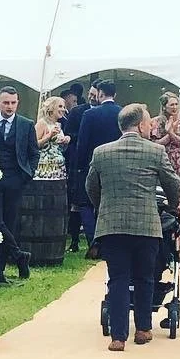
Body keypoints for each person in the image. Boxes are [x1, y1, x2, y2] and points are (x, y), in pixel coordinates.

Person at [86, 103, 180, 352]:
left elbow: (91, 187)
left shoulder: (101, 153)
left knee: (117, 279)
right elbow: (173, 185)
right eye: (149, 123)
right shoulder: (155, 152)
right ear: (140, 125)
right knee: (144, 277)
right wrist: (172, 208)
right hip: (146, 225)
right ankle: (143, 329)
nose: (151, 127)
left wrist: (102, 206)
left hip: (113, 225)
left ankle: (118, 337)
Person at [0, 86, 39, 283]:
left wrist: (27, 175)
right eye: (6, 103)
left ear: (17, 103)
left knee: (9, 224)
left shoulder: (26, 124)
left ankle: (0, 271)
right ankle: (19, 255)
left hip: (15, 180)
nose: (9, 106)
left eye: (13, 103)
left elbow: (34, 153)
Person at [72, 79, 122, 256]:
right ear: (114, 94)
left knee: (85, 203)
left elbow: (82, 143)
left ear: (100, 94)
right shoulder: (122, 113)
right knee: (110, 203)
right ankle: (109, 241)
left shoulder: (90, 115)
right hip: (115, 165)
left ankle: (94, 240)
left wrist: (79, 166)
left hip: (92, 163)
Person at [61, 84, 89, 252]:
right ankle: (74, 238)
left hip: (76, 160)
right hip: (72, 160)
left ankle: (76, 237)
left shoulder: (79, 112)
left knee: (77, 201)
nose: (74, 103)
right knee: (75, 200)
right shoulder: (76, 113)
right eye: (73, 100)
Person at [153, 94, 180, 225]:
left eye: (176, 104)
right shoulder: (156, 122)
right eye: (171, 104)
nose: (174, 107)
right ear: (164, 106)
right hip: (165, 160)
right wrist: (169, 134)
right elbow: (155, 144)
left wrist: (171, 132)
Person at [34, 95, 69, 179]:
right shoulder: (42, 123)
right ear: (51, 108)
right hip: (45, 168)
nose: (63, 109)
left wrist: (65, 141)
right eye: (60, 106)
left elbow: (59, 148)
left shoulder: (58, 124)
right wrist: (49, 136)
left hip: (58, 166)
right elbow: (34, 145)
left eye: (64, 107)